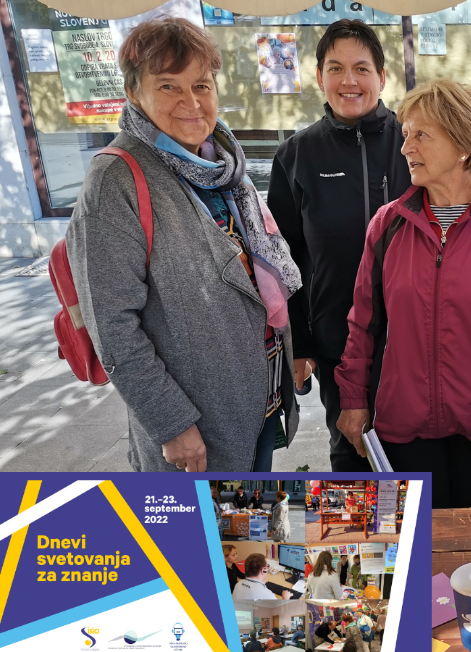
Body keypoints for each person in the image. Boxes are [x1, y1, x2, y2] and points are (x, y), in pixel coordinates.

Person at [65, 17, 302, 471]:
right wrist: (173, 424)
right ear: (135, 93)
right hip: (197, 431)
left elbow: (256, 277)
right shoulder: (116, 181)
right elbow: (112, 327)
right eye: (168, 86)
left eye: (201, 84)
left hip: (258, 402)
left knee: (246, 538)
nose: (191, 102)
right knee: (189, 542)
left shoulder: (222, 164)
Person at [335, 79, 471, 508]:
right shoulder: (387, 225)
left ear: (461, 143)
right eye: (406, 135)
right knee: (416, 554)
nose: (406, 148)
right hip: (402, 428)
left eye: (421, 135)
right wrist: (352, 399)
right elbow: (363, 324)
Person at [270, 19, 411, 473]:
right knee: (351, 448)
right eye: (336, 68)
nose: (349, 81)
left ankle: (416, 541)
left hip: (413, 337)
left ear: (382, 77)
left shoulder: (414, 142)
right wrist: (299, 342)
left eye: (361, 68)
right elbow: (283, 257)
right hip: (337, 340)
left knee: (410, 452)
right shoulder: (297, 154)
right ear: (319, 78)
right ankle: (358, 544)